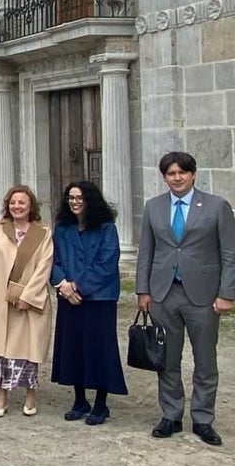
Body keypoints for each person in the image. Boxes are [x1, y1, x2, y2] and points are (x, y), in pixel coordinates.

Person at [136, 151, 235, 446]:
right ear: (164, 177)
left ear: (193, 174)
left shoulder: (217, 207)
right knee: (166, 359)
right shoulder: (154, 207)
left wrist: (226, 293)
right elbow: (146, 252)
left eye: (182, 172)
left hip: (204, 296)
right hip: (164, 293)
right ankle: (172, 414)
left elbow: (230, 253)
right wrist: (143, 290)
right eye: (171, 173)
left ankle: (203, 418)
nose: (176, 178)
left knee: (205, 360)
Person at [50, 181, 127, 425]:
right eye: (71, 198)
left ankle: (101, 403)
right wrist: (62, 284)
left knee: (99, 349)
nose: (74, 202)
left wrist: (78, 286)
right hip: (68, 297)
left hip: (99, 298)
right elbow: (53, 258)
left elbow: (107, 262)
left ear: (90, 200)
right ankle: (79, 399)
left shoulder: (106, 228)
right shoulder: (63, 227)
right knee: (73, 348)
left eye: (79, 198)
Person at [0, 184, 53, 418]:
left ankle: (30, 395)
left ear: (31, 207)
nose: (17, 206)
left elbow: (44, 266)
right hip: (0, 299)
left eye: (22, 203)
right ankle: (1, 396)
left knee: (28, 349)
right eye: (13, 202)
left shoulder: (43, 232)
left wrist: (28, 296)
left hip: (29, 301)